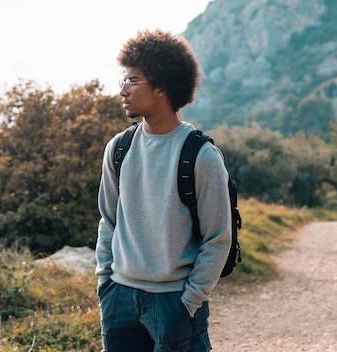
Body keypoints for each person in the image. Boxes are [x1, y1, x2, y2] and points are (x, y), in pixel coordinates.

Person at [95, 29, 232, 351]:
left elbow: (218, 238)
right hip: (120, 298)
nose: (122, 90)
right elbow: (108, 220)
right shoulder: (118, 148)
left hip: (175, 302)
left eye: (132, 80)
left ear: (162, 87)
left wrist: (190, 300)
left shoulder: (202, 156)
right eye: (123, 81)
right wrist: (105, 282)